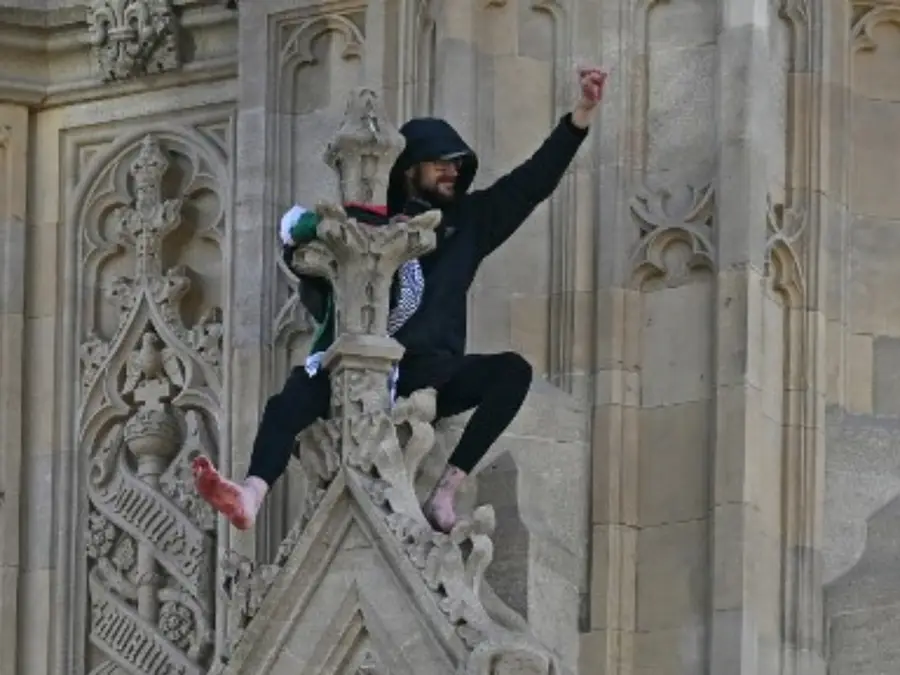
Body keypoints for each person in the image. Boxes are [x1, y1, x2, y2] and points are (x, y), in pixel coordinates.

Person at [193, 67, 608, 533]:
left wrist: (580, 115)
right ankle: (251, 494)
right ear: (410, 168)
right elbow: (302, 247)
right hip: (359, 362)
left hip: (428, 370)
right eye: (441, 163)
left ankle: (446, 492)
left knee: (512, 373)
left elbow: (531, 182)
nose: (453, 171)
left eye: (458, 164)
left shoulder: (467, 223)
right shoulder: (368, 223)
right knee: (289, 402)